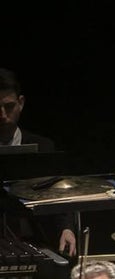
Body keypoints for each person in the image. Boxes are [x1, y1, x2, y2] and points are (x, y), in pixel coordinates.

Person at [0, 67, 75, 258]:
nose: (2, 115)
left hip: (37, 241)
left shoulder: (43, 147)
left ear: (21, 103)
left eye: (8, 107)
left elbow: (59, 194)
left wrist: (66, 229)